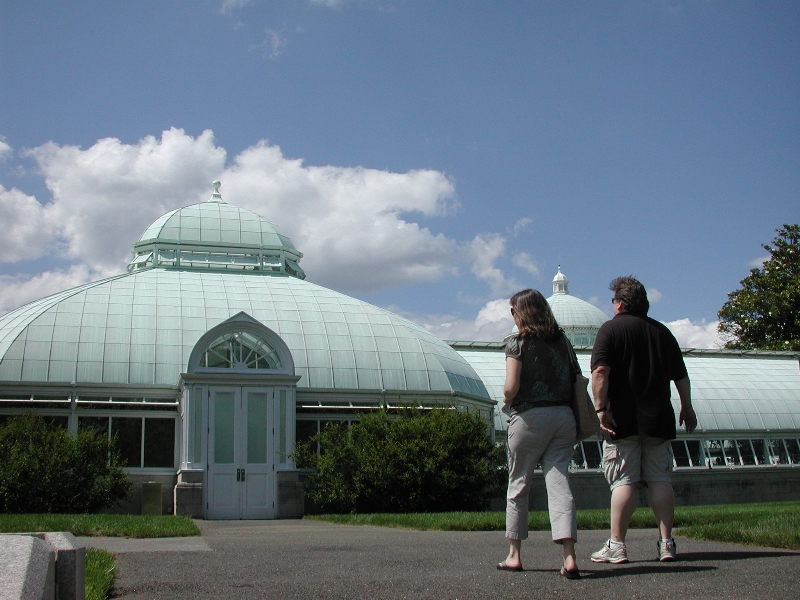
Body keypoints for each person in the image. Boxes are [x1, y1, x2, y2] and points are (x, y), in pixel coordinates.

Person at [589, 276, 697, 564]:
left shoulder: (610, 330)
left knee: (623, 480)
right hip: (658, 419)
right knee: (660, 478)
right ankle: (666, 543)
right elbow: (681, 376)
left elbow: (600, 372)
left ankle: (617, 545)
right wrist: (687, 408)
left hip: (620, 420)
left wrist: (600, 409)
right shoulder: (663, 333)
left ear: (620, 303)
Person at [497, 289, 580, 579]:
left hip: (530, 419)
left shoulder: (517, 343)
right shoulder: (563, 342)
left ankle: (514, 555)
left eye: (513, 311)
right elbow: (575, 378)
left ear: (521, 313)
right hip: (564, 418)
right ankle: (569, 557)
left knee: (519, 484)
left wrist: (506, 397)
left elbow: (511, 387)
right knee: (559, 484)